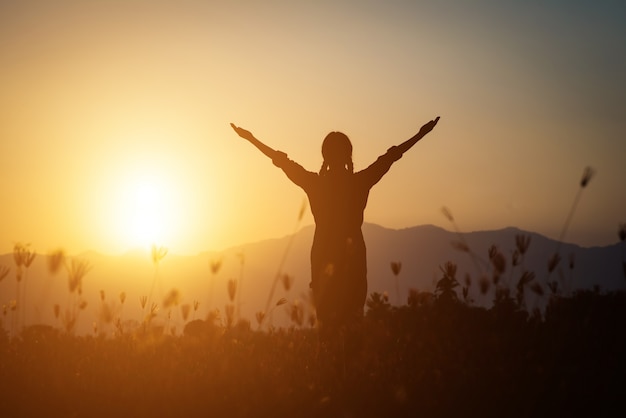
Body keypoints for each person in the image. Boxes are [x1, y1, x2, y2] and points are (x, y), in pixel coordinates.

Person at [230, 117, 440, 340]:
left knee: (327, 326)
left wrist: (251, 138)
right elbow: (391, 157)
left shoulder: (315, 183)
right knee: (352, 324)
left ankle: (330, 369)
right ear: (349, 154)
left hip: (324, 257)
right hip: (353, 257)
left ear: (324, 155)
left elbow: (282, 161)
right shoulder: (360, 181)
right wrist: (421, 134)